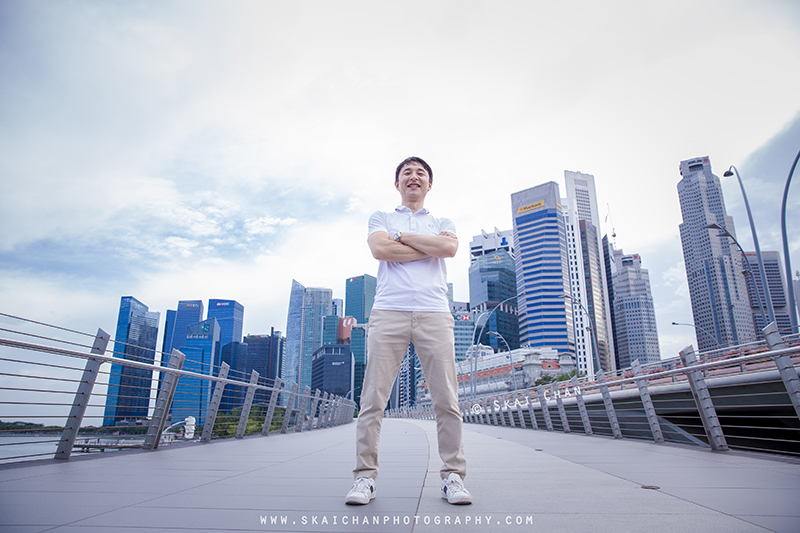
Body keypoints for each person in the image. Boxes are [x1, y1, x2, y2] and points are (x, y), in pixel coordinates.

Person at [345, 156, 472, 506]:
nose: (413, 177)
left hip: (434, 312)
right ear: (397, 183)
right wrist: (425, 246)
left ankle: (453, 478)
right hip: (388, 312)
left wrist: (403, 240)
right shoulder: (381, 218)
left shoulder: (442, 221)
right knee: (372, 400)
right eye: (407, 173)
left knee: (447, 400)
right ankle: (364, 479)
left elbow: (449, 248)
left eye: (420, 174)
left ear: (429, 185)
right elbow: (379, 249)